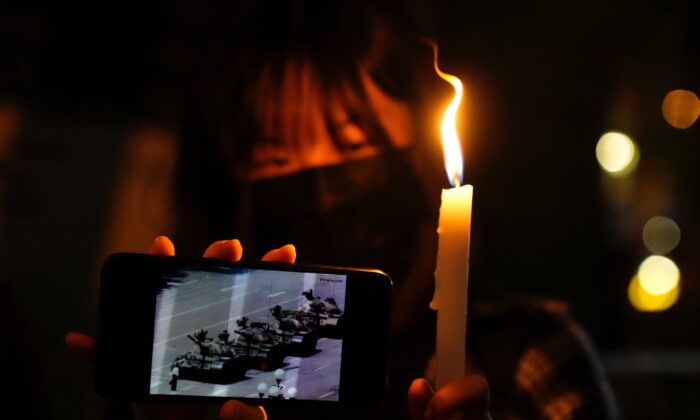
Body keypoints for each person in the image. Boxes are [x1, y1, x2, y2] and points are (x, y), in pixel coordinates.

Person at [68, 1, 618, 419]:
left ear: (417, 156)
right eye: (275, 154)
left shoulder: (527, 357)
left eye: (351, 144)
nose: (319, 185)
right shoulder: (215, 363)